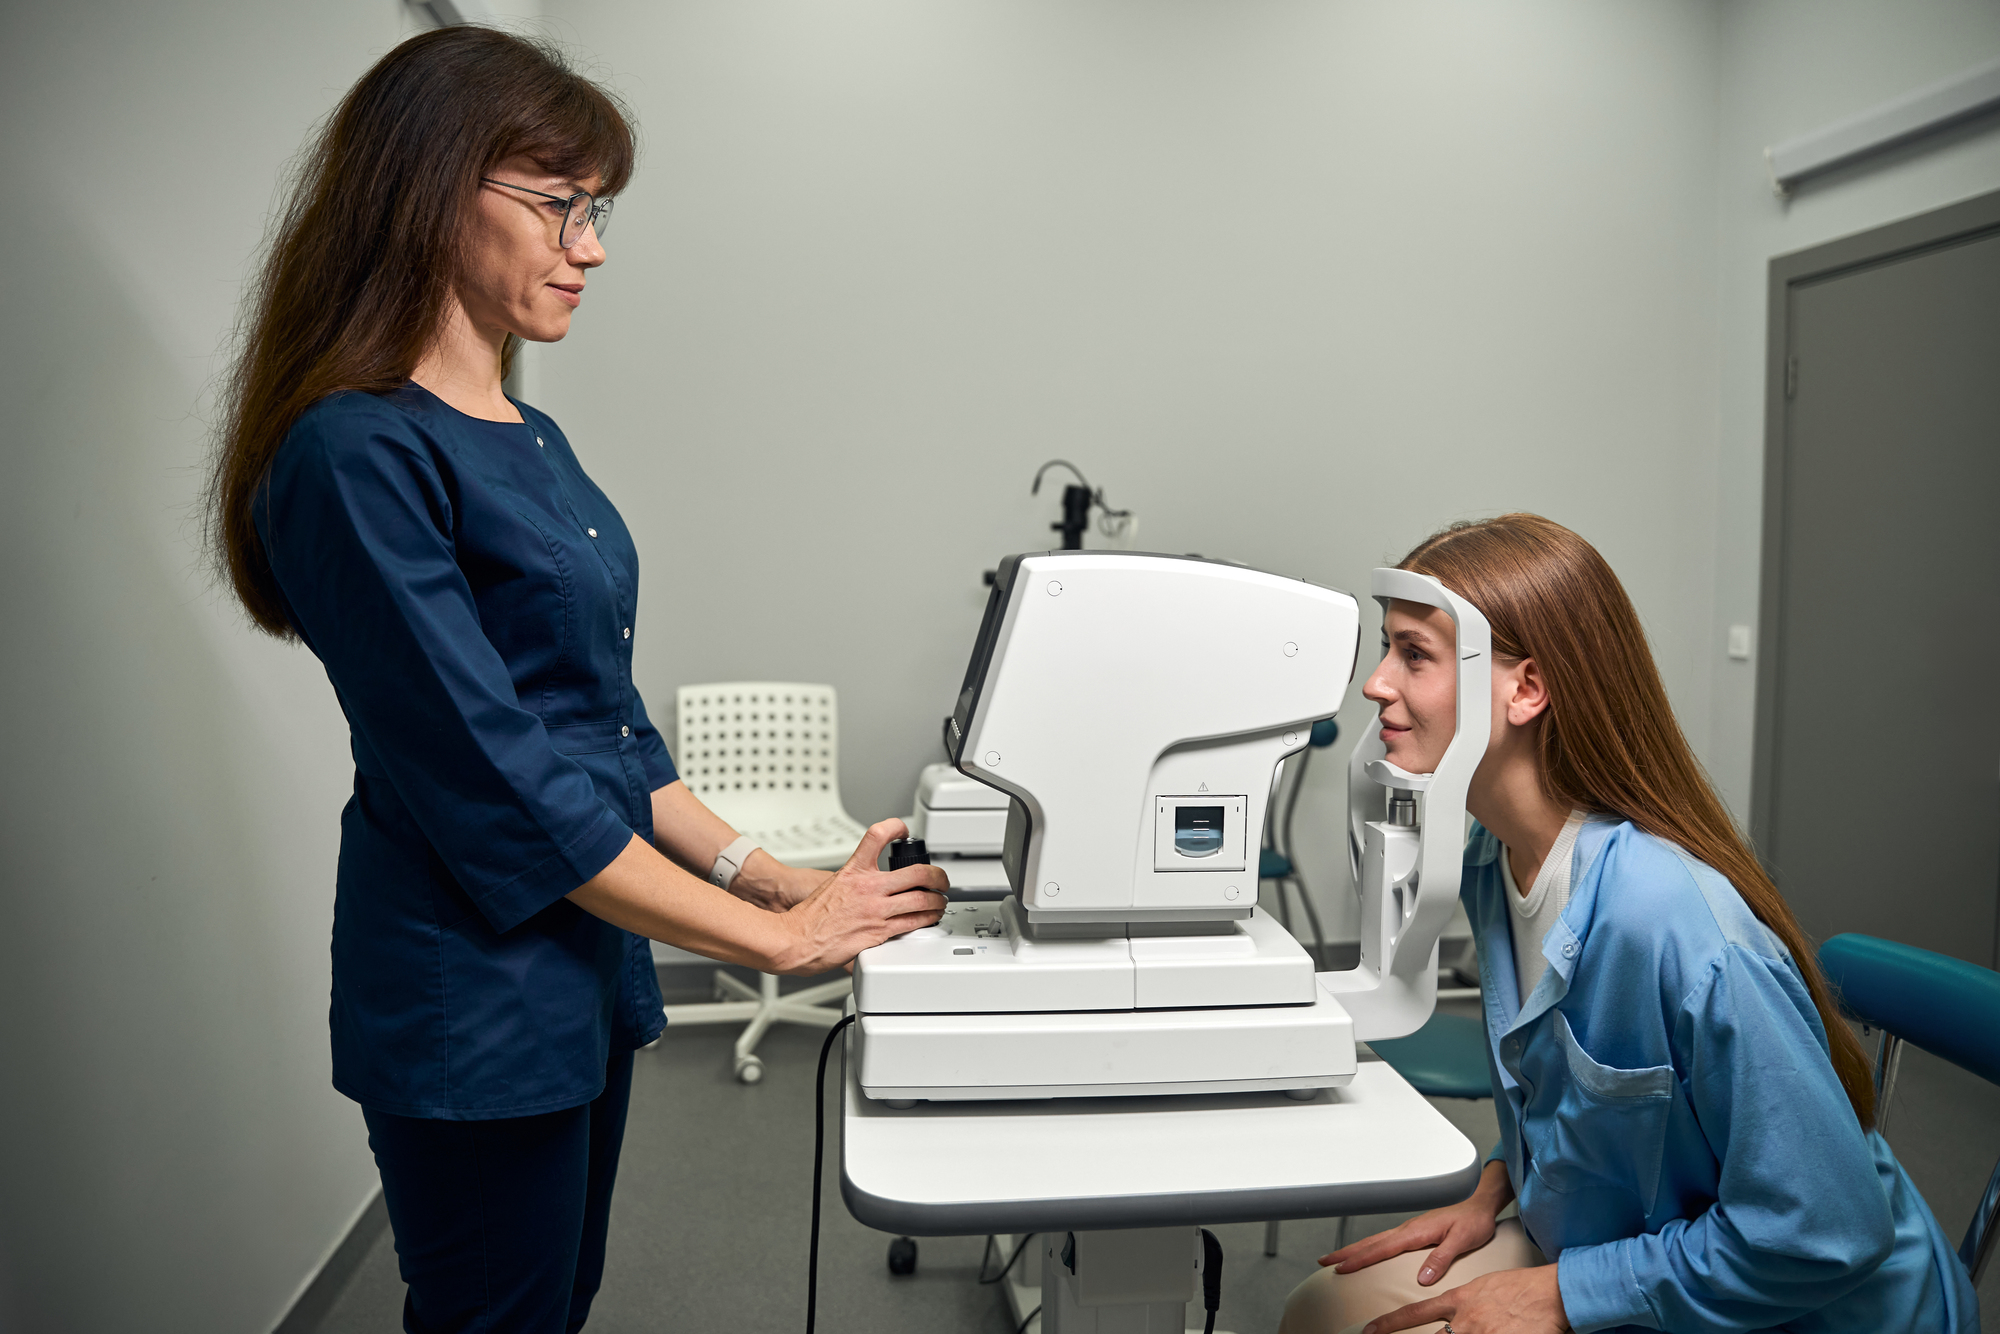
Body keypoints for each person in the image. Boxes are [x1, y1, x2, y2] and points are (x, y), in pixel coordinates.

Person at [204, 27, 947, 1333]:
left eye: (595, 210)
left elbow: (607, 725)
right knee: (497, 1312)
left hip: (579, 958)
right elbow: (498, 770)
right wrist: (780, 941)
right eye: (561, 205)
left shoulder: (528, 432)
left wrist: (782, 879)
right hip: (467, 987)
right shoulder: (351, 452)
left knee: (561, 1297)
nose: (590, 245)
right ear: (429, 189)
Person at [1279, 515, 1977, 1334]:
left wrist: (1567, 1294)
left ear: (1526, 689)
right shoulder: (1489, 864)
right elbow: (1606, 1110)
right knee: (1325, 1311)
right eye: (1387, 650)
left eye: (1415, 654)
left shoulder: (1675, 926)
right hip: (1636, 1241)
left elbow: (1826, 1230)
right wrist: (1508, 1177)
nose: (1376, 684)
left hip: (1807, 1304)